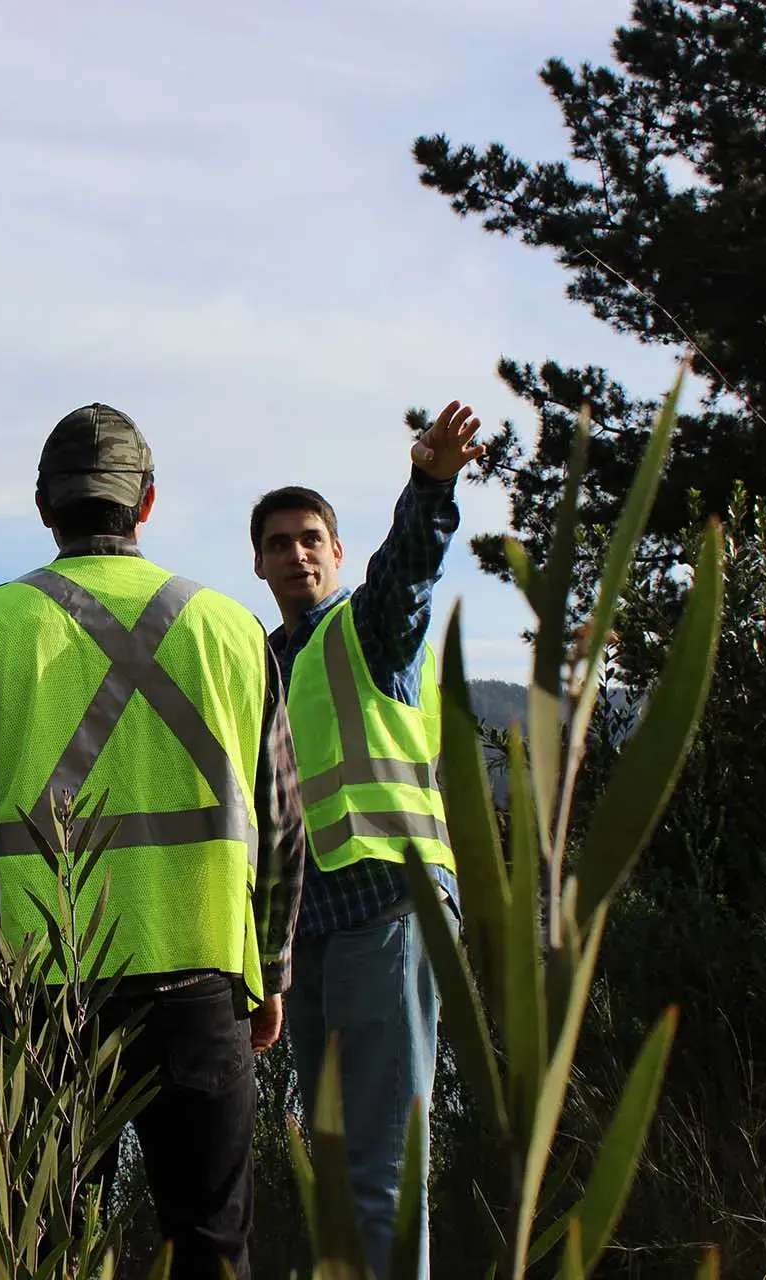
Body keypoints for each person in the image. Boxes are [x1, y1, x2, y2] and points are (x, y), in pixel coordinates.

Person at [0, 403, 307, 1280]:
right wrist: (269, 968)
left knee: (47, 1245)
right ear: (147, 504)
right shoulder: (236, 630)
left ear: (44, 507)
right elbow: (283, 825)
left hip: (53, 991)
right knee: (211, 1249)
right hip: (205, 980)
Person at [249, 400, 484, 1278]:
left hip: (390, 912)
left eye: (312, 537)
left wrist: (431, 481)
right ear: (259, 562)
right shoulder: (261, 666)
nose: (297, 552)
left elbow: (408, 575)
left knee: (380, 1170)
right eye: (279, 542)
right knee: (339, 1171)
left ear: (337, 553)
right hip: (305, 940)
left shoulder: (369, 632)